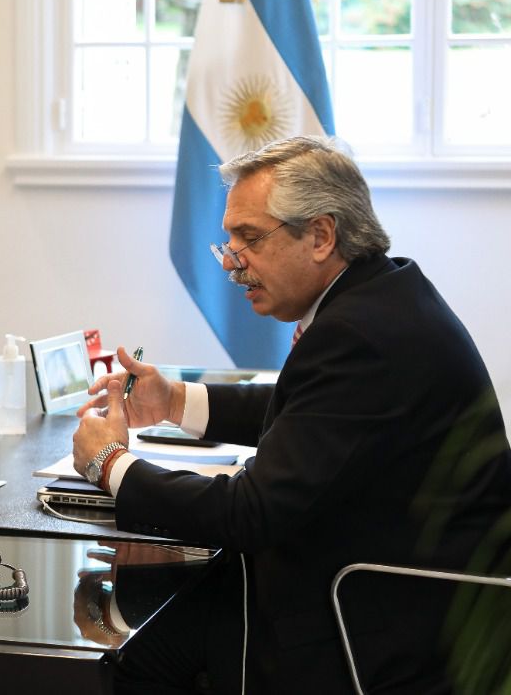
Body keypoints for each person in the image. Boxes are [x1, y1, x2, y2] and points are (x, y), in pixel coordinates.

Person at [73, 135, 511, 692]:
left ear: (322, 235)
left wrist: (110, 463)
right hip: (382, 588)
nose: (232, 262)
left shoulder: (360, 334)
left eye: (250, 239)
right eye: (229, 240)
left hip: (369, 621)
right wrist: (175, 401)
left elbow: (251, 514)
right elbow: (311, 410)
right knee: (147, 633)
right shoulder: (382, 294)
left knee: (123, 654)